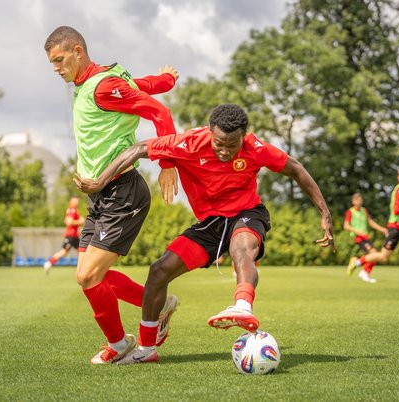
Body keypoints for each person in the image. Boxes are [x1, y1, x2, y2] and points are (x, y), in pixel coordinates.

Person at [75, 104, 335, 364]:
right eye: (219, 143)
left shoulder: (255, 148)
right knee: (159, 271)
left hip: (246, 213)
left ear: (243, 137)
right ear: (210, 132)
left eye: (232, 145)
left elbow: (295, 168)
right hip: (210, 225)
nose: (225, 151)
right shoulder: (189, 143)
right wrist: (100, 182)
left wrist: (324, 213)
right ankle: (147, 348)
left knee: (241, 250)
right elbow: (138, 148)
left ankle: (242, 306)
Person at [44, 26, 180, 364]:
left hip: (123, 193)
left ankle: (120, 344)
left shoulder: (103, 86)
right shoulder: (97, 81)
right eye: (52, 63)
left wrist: (167, 164)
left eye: (59, 60)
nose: (56, 68)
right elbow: (144, 85)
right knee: (92, 278)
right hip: (99, 196)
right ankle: (155, 308)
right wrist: (166, 80)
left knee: (87, 275)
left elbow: (159, 113)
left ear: (78, 51)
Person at [343, 193, 388, 283]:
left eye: (361, 200)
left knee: (373, 255)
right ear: (353, 201)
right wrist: (357, 232)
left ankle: (360, 267)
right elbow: (346, 226)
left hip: (365, 237)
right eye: (357, 200)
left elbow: (370, 222)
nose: (359, 202)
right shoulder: (350, 211)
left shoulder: (364, 210)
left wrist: (382, 229)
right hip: (358, 237)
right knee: (374, 253)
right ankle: (362, 269)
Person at [43, 196, 86, 274]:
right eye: (75, 201)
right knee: (65, 252)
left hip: (74, 236)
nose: (77, 203)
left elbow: (65, 220)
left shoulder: (72, 210)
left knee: (81, 251)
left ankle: (83, 268)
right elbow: (69, 222)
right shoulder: (72, 210)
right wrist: (80, 221)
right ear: (71, 201)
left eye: (77, 201)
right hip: (71, 235)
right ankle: (49, 263)